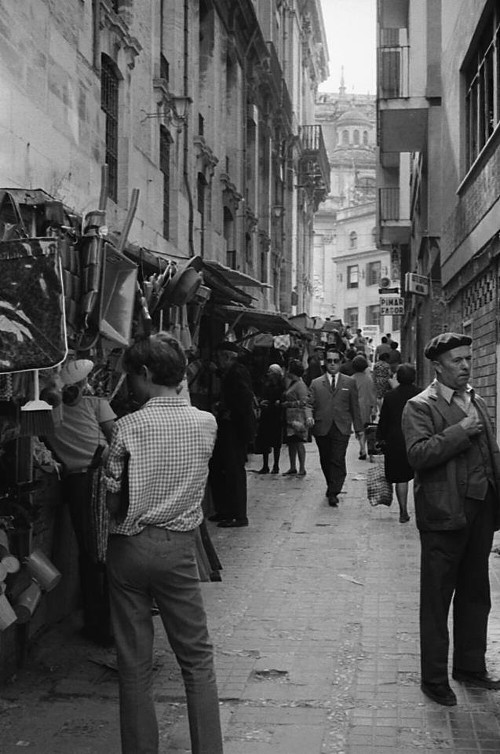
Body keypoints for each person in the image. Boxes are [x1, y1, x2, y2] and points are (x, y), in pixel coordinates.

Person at [104, 333, 223, 754]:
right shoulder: (205, 423)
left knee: (133, 664)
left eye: (133, 377)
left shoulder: (125, 427)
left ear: (146, 374)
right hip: (178, 549)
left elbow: (113, 499)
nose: (130, 386)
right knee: (196, 661)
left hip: (128, 548)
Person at [402, 332, 500, 708]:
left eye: (468, 359)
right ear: (438, 366)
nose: (464, 366)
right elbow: (418, 455)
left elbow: (490, 452)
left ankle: (470, 666)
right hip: (443, 514)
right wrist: (460, 432)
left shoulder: (476, 399)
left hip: (480, 510)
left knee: (477, 594)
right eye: (457, 360)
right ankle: (433, 679)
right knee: (437, 598)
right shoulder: (419, 406)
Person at [47, 358, 116, 647]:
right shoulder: (97, 404)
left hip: (78, 484)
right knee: (105, 552)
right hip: (101, 477)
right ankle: (105, 624)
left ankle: (97, 621)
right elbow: (117, 438)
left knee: (90, 553)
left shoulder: (49, 416)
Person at [306, 348, 363, 506]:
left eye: (335, 361)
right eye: (329, 361)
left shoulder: (349, 382)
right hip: (322, 426)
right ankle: (330, 484)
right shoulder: (316, 383)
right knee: (325, 459)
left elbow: (355, 407)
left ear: (340, 362)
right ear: (325, 362)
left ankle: (334, 491)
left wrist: (359, 429)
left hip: (341, 426)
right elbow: (308, 404)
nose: (332, 364)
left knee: (337, 459)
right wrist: (309, 417)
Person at [208, 341, 256, 528]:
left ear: (227, 357)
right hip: (229, 427)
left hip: (235, 428)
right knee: (221, 468)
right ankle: (225, 510)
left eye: (220, 357)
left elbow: (243, 399)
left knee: (234, 470)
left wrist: (229, 411)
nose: (217, 361)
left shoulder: (238, 372)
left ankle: (238, 515)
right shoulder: (231, 372)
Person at [377, 363, 420, 522]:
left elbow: (384, 420)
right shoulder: (421, 394)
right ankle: (422, 510)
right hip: (417, 438)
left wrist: (380, 438)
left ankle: (403, 511)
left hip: (396, 441)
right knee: (421, 476)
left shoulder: (390, 396)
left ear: (398, 378)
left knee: (401, 478)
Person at [254, 363, 285, 474]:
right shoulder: (266, 384)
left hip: (276, 415)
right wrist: (262, 402)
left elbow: (283, 398)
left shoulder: (282, 386)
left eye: (270, 372)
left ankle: (276, 465)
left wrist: (279, 403)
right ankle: (265, 465)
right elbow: (263, 396)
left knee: (276, 442)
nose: (269, 374)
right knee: (265, 442)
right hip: (266, 415)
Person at [282, 359, 308, 476]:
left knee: (298, 442)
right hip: (290, 418)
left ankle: (302, 468)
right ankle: (293, 466)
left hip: (298, 418)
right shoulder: (292, 383)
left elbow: (304, 402)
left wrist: (289, 404)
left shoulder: (300, 385)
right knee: (292, 443)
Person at [351, 354, 377, 460]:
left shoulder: (351, 379)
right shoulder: (368, 379)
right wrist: (374, 408)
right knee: (366, 428)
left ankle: (362, 448)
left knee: (358, 428)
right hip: (366, 406)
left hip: (355, 406)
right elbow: (372, 394)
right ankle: (366, 449)